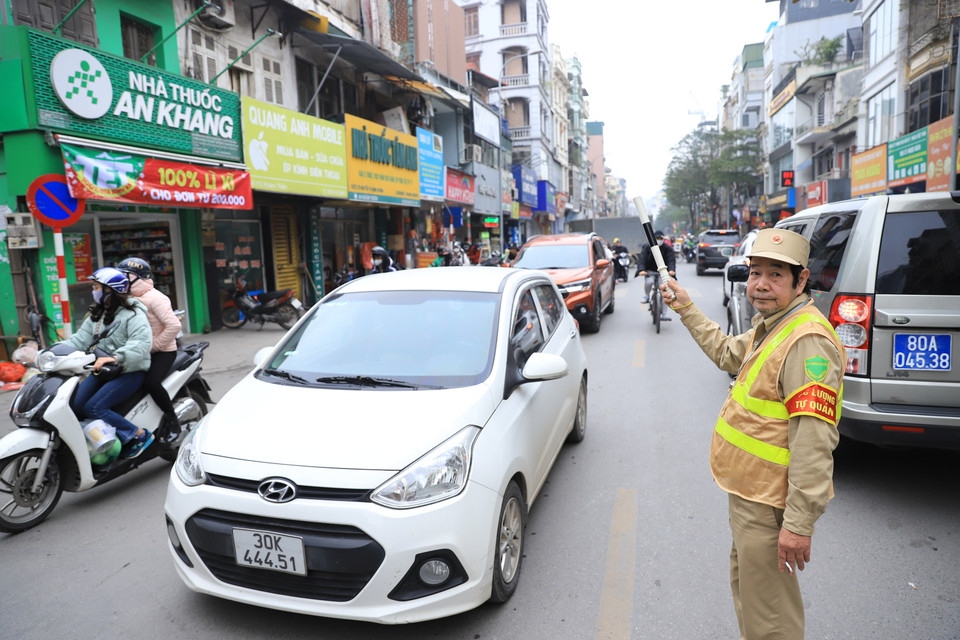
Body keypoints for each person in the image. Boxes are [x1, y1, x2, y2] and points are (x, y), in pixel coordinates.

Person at [661, 228, 846, 640]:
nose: (761, 284)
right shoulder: (775, 324)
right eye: (755, 272)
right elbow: (727, 351)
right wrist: (686, 307)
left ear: (801, 280)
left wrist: (798, 524)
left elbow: (814, 443)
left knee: (770, 621)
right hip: (751, 494)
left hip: (770, 504)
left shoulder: (807, 342)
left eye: (776, 275)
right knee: (750, 596)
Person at [68, 267, 154, 459]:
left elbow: (141, 344)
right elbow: (79, 340)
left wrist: (116, 357)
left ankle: (138, 434)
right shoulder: (98, 314)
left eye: (96, 287)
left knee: (94, 407)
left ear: (110, 290)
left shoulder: (133, 314)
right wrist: (50, 352)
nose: (93, 291)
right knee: (75, 407)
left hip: (129, 371)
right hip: (103, 370)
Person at [118, 257, 181, 440]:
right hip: (139, 351)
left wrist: (154, 346)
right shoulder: (125, 298)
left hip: (163, 351)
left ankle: (171, 418)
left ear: (139, 278)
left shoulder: (156, 298)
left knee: (150, 382)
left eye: (126, 276)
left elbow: (174, 326)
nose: (122, 279)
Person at [636, 230, 677, 305]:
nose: (659, 240)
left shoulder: (667, 248)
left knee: (664, 289)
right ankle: (646, 296)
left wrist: (671, 270)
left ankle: (664, 311)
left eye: (661, 238)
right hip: (650, 271)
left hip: (663, 272)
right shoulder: (647, 247)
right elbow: (642, 259)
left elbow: (671, 260)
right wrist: (642, 270)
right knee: (649, 282)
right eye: (657, 238)